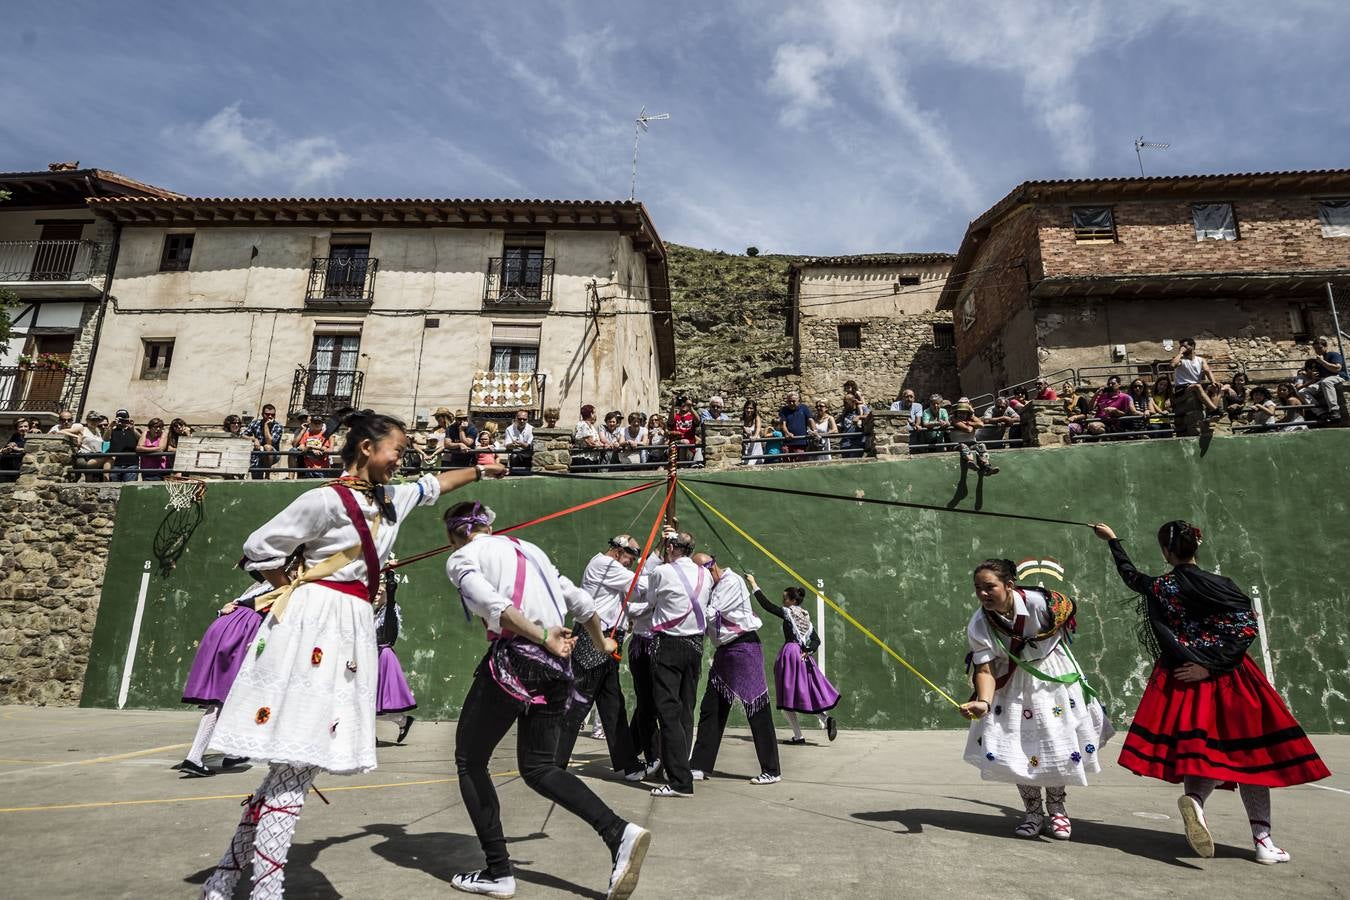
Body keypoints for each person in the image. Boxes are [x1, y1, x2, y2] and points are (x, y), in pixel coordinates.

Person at [199, 411, 502, 900]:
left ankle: (223, 880)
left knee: (293, 766)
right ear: (366, 448)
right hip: (317, 623)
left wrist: (484, 470)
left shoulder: (391, 499)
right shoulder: (323, 500)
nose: (401, 460)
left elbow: (435, 484)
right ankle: (265, 890)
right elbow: (259, 546)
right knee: (296, 760)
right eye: (396, 450)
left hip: (353, 626)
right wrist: (291, 591)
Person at [443, 501, 651, 899]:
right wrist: (601, 642)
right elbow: (582, 603)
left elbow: (495, 606)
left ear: (455, 533)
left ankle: (498, 871)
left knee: (470, 760)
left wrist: (541, 637)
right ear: (488, 524)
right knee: (539, 767)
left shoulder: (463, 557)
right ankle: (618, 832)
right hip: (559, 668)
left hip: (517, 662)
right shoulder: (531, 550)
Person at [1089, 521, 1329, 863]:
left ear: (1166, 551)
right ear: (1195, 546)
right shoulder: (1221, 585)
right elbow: (1245, 628)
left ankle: (1197, 805)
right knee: (1251, 757)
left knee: (1200, 752)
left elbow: (1131, 577)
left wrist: (1112, 541)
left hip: (1184, 677)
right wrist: (1214, 665)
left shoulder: (1162, 587)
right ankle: (1263, 842)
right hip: (1232, 678)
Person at [957, 558, 1113, 840]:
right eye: (978, 588)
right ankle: (1032, 812)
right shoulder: (980, 622)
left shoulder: (1038, 605)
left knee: (1055, 743)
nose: (983, 594)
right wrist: (984, 702)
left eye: (989, 587)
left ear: (1009, 585)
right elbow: (985, 668)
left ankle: (1057, 809)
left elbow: (1062, 619)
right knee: (1016, 746)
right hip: (1013, 682)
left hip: (1052, 674)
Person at [178, 554, 303, 778]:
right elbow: (274, 616)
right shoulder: (286, 587)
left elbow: (235, 605)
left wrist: (225, 610)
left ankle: (234, 751)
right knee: (225, 696)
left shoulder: (259, 585)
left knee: (235, 694)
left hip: (225, 627)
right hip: (244, 631)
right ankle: (195, 757)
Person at [553, 535, 652, 782]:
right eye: (631, 556)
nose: (632, 561)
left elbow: (632, 596)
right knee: (578, 703)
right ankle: (554, 765)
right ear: (618, 551)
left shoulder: (610, 567)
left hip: (607, 640)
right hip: (594, 639)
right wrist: (661, 561)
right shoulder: (606, 565)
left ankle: (628, 765)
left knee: (613, 706)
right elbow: (640, 587)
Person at [624, 530, 713, 797]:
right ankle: (680, 767)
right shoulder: (705, 574)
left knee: (668, 714)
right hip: (695, 647)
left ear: (672, 548)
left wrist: (629, 609)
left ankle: (679, 781)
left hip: (669, 647)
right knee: (686, 711)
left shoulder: (662, 573)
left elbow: (650, 602)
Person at [689, 555, 782, 785]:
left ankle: (772, 769)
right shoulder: (714, 585)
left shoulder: (732, 582)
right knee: (712, 708)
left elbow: (711, 613)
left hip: (744, 648)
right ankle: (699, 765)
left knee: (757, 708)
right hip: (725, 653)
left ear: (710, 569)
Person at [747, 576, 839, 745]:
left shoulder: (788, 613)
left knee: (787, 697)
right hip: (804, 657)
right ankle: (825, 721)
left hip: (790, 654)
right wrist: (808, 651)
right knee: (805, 693)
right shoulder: (805, 617)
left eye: (785, 599)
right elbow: (816, 640)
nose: (783, 601)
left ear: (792, 600)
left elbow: (766, 605)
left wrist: (753, 584)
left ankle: (798, 736)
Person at [374, 568, 416, 745]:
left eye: (380, 592)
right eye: (375, 592)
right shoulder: (374, 613)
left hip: (383, 657)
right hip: (372, 656)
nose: (376, 595)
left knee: (379, 703)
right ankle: (402, 721)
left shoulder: (390, 610)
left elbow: (391, 590)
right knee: (368, 701)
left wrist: (390, 576)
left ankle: (402, 721)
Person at [1297, 336, 1346, 416]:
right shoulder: (1318, 360)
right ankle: (1320, 413)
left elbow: (1337, 369)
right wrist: (1306, 372)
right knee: (1302, 392)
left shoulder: (1333, 355)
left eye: (1320, 348)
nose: (1318, 350)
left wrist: (1322, 362)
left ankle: (1335, 410)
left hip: (1338, 376)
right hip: (1324, 379)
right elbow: (1310, 371)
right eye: (1315, 348)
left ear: (1326, 347)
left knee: (1326, 382)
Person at [1171, 338, 1220, 416]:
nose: (1182, 348)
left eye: (1184, 346)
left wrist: (1213, 382)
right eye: (1180, 347)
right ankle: (1214, 409)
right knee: (1197, 386)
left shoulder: (1200, 360)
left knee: (1217, 386)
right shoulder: (1180, 360)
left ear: (1192, 346)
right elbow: (1173, 365)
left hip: (1195, 387)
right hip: (1182, 388)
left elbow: (1207, 370)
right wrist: (1180, 353)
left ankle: (1212, 413)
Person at [950, 402, 999, 475]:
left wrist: (970, 423)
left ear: (968, 414)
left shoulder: (970, 419)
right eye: (960, 412)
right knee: (964, 446)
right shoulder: (954, 419)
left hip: (971, 443)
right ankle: (971, 462)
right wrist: (973, 426)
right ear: (956, 413)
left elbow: (981, 425)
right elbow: (968, 430)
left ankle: (987, 466)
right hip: (957, 445)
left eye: (964, 413)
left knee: (981, 445)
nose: (962, 415)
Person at [64, 411, 110, 482]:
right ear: (87, 420)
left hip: (96, 456)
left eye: (97, 420)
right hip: (85, 456)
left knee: (90, 478)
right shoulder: (82, 428)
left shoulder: (98, 432)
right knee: (108, 457)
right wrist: (76, 436)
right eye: (92, 420)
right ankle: (105, 481)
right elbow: (62, 431)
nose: (94, 422)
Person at [245, 405, 284, 479]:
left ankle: (267, 474)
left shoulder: (278, 426)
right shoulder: (255, 423)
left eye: (272, 415)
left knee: (267, 447)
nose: (270, 416)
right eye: (267, 414)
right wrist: (254, 439)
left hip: (273, 454)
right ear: (262, 414)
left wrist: (266, 425)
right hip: (258, 453)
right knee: (256, 479)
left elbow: (269, 442)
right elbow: (243, 435)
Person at [107, 409, 141, 482]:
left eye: (124, 419)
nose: (122, 422)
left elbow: (141, 440)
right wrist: (110, 426)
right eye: (120, 419)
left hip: (131, 464)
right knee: (114, 488)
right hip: (116, 464)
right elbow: (105, 439)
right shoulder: (112, 431)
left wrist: (132, 429)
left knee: (130, 488)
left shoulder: (134, 430)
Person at [777, 390, 812, 458]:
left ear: (798, 400)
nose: (791, 403)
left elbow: (810, 419)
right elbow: (783, 424)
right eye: (789, 401)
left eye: (793, 401)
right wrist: (787, 433)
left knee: (800, 461)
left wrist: (814, 431)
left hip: (800, 442)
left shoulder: (804, 408)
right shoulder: (784, 410)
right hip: (787, 442)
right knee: (786, 463)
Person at [136, 417, 171, 481]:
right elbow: (138, 448)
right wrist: (154, 449)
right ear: (150, 427)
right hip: (146, 469)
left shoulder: (163, 434)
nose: (158, 429)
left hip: (160, 470)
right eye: (155, 427)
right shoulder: (145, 433)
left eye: (160, 427)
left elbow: (161, 449)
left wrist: (144, 449)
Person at [502, 409, 534, 473]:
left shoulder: (532, 429)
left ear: (527, 419)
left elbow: (529, 446)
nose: (522, 421)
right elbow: (507, 445)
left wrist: (520, 444)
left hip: (528, 455)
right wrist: (512, 444)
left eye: (524, 419)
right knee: (514, 457)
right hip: (515, 456)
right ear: (515, 418)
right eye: (519, 419)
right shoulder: (509, 429)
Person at [0, 418, 30, 483]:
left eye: (25, 426)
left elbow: (31, 451)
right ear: (17, 429)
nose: (23, 428)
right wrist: (7, 449)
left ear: (29, 427)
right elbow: (5, 448)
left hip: (23, 468)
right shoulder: (15, 436)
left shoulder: (32, 437)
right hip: (9, 467)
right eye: (20, 427)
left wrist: (17, 449)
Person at [838, 393, 866, 458]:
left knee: (854, 460)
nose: (844, 404)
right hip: (845, 442)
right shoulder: (845, 412)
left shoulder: (861, 408)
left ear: (853, 401)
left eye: (846, 402)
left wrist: (859, 417)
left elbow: (869, 415)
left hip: (857, 441)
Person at [740, 400, 763, 465]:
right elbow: (739, 428)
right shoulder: (742, 418)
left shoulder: (756, 417)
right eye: (747, 408)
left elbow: (758, 428)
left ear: (754, 409)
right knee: (745, 462)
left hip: (755, 443)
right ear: (744, 408)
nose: (749, 410)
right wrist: (744, 428)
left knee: (754, 462)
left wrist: (754, 436)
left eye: (751, 408)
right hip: (746, 444)